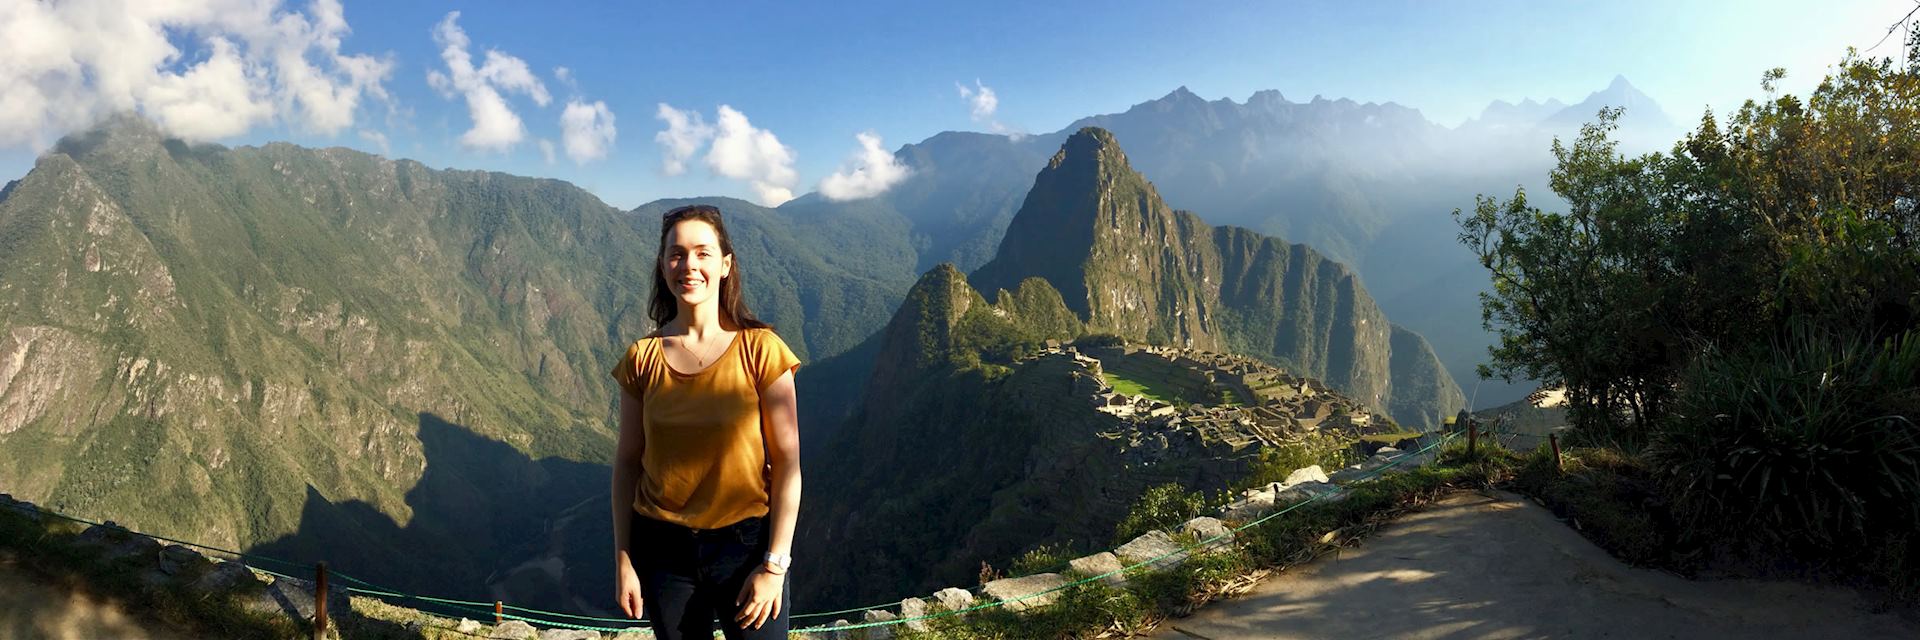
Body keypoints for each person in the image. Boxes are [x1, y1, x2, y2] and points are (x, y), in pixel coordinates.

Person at [610, 204, 802, 639]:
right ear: (663, 266)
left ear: (725, 265)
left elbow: (788, 464)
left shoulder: (761, 351)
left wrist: (774, 565)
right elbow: (626, 464)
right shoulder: (641, 359)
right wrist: (624, 559)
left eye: (702, 252)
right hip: (663, 552)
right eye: (676, 254)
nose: (689, 265)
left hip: (747, 546)